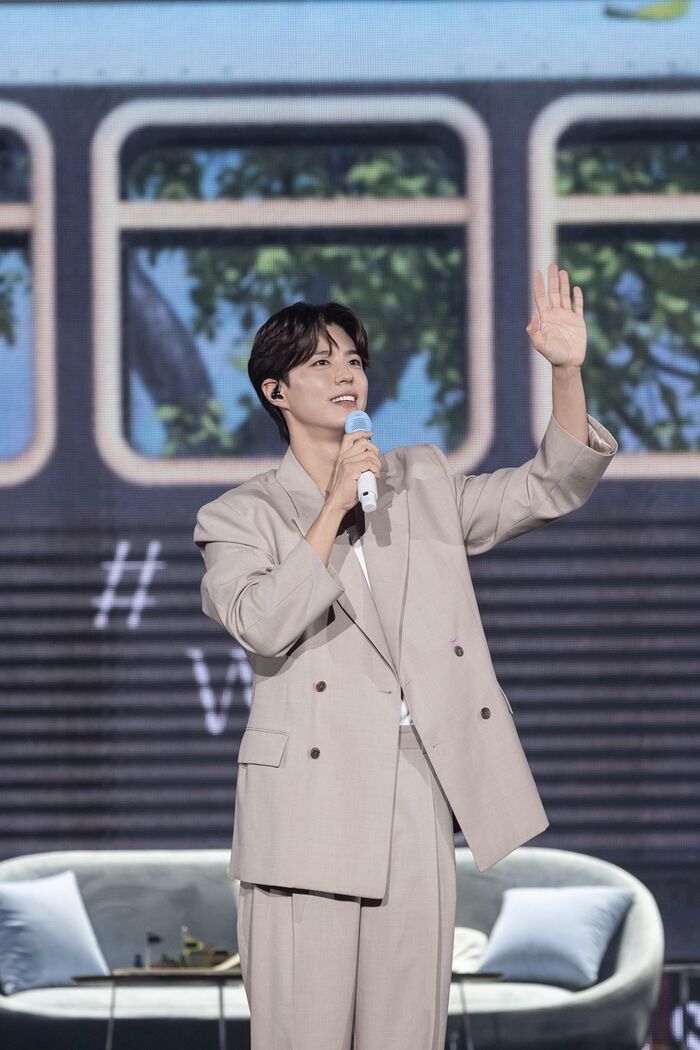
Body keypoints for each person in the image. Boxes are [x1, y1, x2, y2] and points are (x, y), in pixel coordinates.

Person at [193, 263, 618, 1050]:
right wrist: (332, 507)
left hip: (415, 785)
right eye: (321, 362)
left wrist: (565, 372)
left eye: (353, 359)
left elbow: (548, 488)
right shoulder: (238, 515)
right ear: (275, 391)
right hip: (305, 808)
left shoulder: (419, 480)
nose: (345, 374)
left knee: (407, 1033)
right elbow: (260, 622)